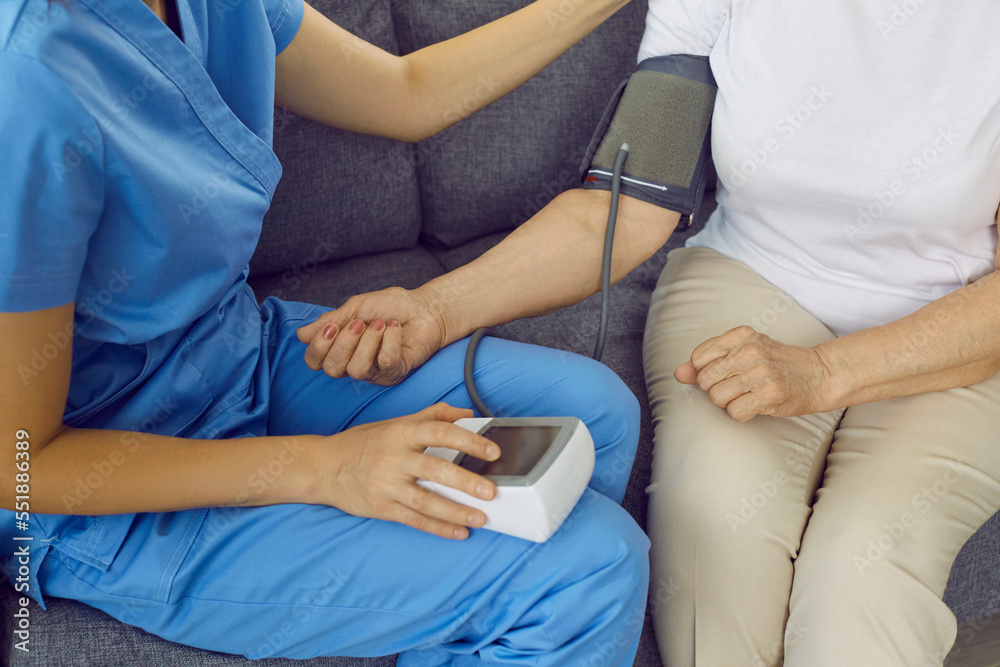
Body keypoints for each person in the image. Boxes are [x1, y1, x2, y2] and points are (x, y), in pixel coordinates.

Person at [308, 1, 1000, 665]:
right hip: (749, 279)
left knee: (861, 567)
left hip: (955, 326)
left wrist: (822, 372)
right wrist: (438, 307)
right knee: (716, 537)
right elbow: (625, 208)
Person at [0, 0, 653, 663]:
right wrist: (324, 466)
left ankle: (474, 618)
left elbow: (406, 93)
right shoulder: (24, 81)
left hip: (233, 356)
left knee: (597, 419)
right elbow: (17, 464)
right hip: (104, 482)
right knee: (595, 569)